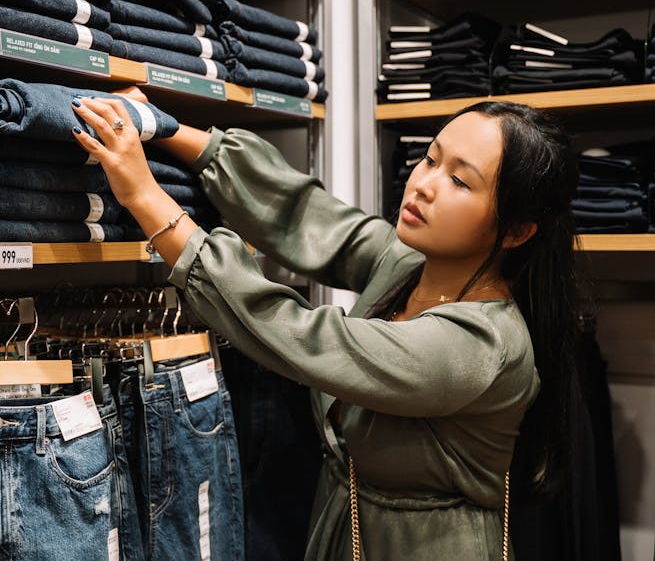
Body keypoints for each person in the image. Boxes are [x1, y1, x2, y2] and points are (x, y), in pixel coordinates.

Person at [70, 94, 583, 560]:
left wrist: (145, 197)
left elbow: (306, 337)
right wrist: (162, 127)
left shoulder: (478, 347)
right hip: (346, 529)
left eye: (459, 180)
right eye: (431, 158)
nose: (424, 185)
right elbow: (314, 219)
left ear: (516, 231)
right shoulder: (410, 265)